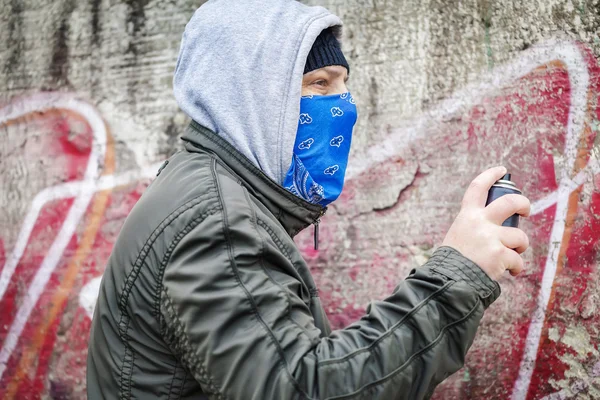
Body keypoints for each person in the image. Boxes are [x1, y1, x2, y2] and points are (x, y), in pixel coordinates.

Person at [86, 0, 530, 399]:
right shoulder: (215, 222)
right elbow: (303, 388)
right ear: (251, 95)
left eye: (343, 83)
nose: (345, 105)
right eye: (318, 84)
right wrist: (458, 274)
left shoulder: (211, 190)